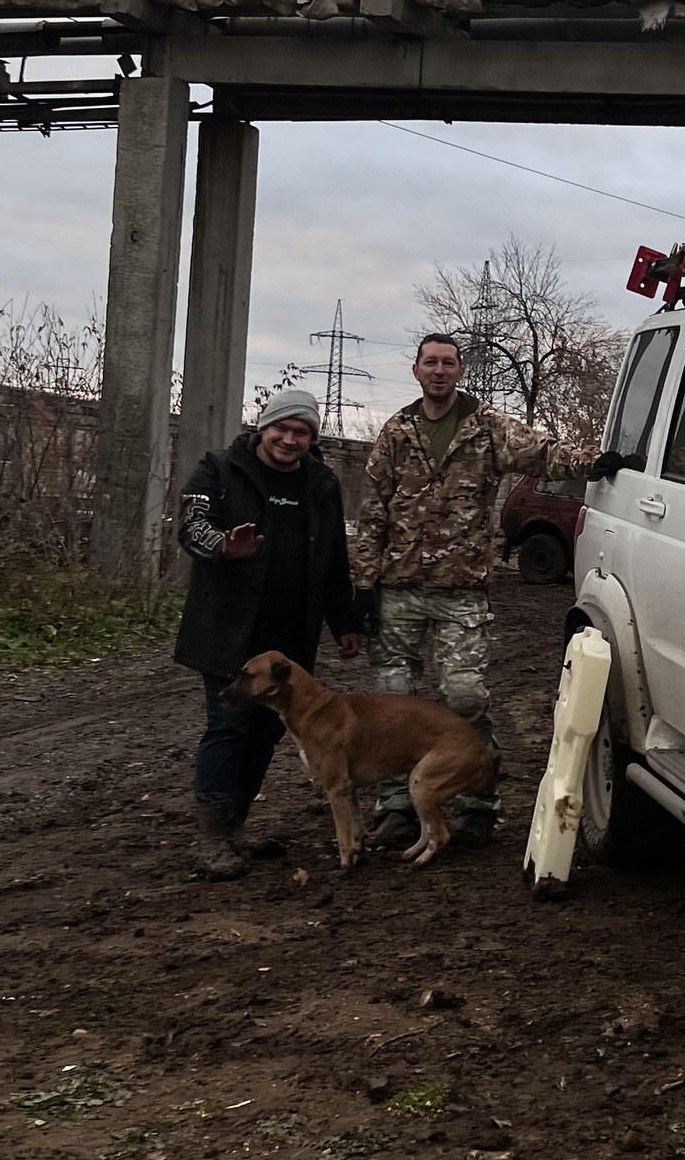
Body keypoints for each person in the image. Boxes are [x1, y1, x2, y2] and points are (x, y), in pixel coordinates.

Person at [352, 333, 618, 847]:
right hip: (398, 587)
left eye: (448, 363)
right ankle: (395, 806)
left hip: (461, 590)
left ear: (459, 371)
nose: (439, 371)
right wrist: (364, 584)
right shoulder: (396, 431)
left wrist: (597, 462)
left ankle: (477, 801)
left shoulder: (486, 428)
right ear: (416, 370)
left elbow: (543, 453)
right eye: (430, 362)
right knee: (392, 703)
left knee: (464, 697)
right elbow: (372, 512)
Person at [173, 385, 363, 878]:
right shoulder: (219, 468)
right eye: (282, 428)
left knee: (265, 734)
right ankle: (211, 838)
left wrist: (344, 622)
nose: (290, 439)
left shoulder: (321, 483)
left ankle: (235, 829)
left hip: (291, 639)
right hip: (229, 631)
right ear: (264, 426)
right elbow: (191, 525)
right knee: (229, 725)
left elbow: (333, 561)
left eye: (302, 432)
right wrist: (222, 546)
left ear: (312, 438)